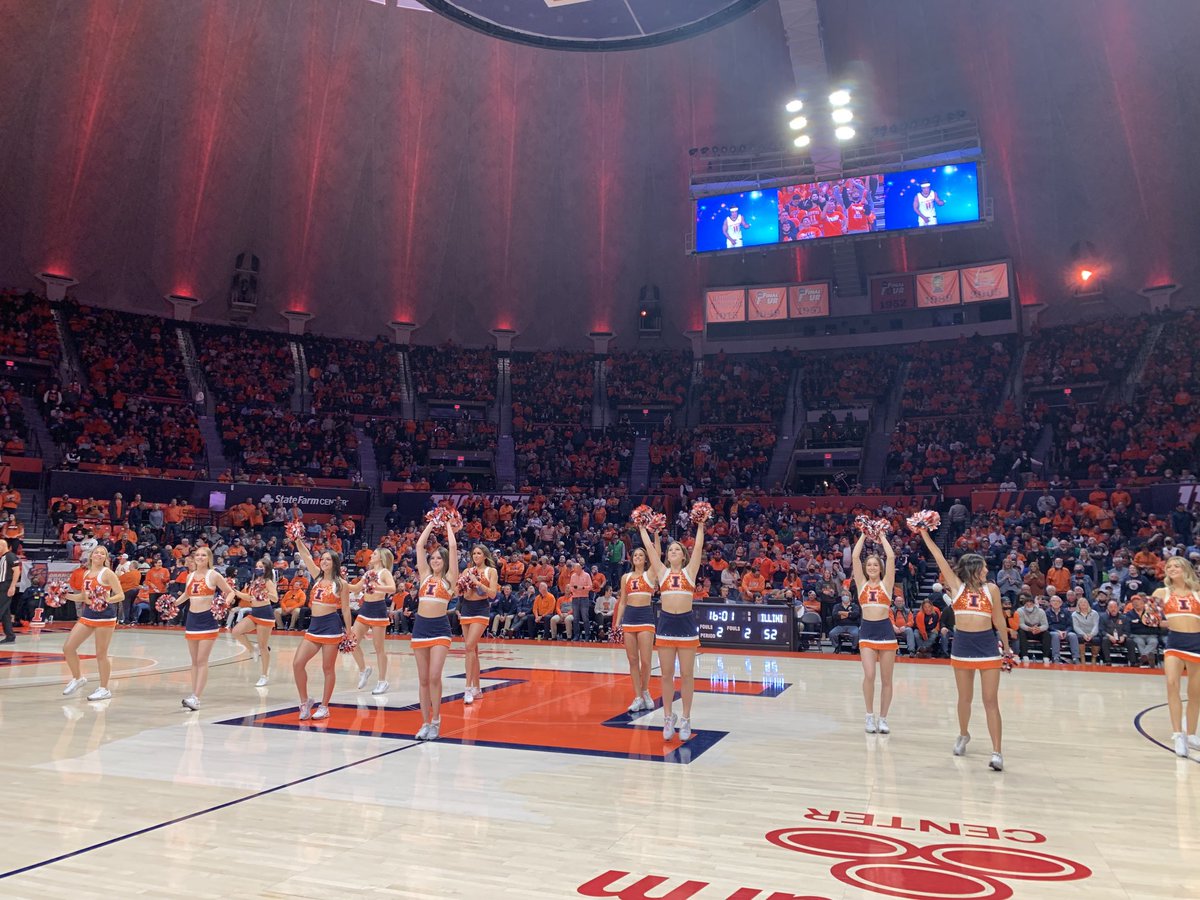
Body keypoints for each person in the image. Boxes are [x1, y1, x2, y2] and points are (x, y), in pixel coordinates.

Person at [914, 523, 1011, 772]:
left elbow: (999, 619)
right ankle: (963, 733)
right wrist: (924, 532)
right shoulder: (957, 587)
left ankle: (997, 751)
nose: (988, 570)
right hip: (963, 646)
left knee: (991, 701)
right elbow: (938, 556)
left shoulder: (992, 589)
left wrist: (1008, 648)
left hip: (988, 646)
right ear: (973, 569)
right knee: (964, 699)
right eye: (984, 567)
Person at [640, 517, 705, 743]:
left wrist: (701, 524)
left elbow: (698, 546)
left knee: (687, 675)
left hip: (686, 625)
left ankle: (686, 718)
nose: (674, 551)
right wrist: (642, 526)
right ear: (667, 556)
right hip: (666, 624)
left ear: (683, 555)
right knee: (666, 674)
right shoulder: (661, 572)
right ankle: (668, 717)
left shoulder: (690, 570)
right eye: (671, 550)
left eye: (678, 549)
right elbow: (649, 548)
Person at [291, 535, 353, 722]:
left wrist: (349, 632)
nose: (324, 561)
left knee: (328, 668)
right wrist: (297, 539)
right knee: (297, 663)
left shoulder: (341, 584)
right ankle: (305, 702)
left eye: (328, 559)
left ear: (334, 563)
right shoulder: (316, 576)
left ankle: (324, 706)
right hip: (314, 626)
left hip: (331, 626)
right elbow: (306, 555)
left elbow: (347, 608)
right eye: (323, 558)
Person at [169, 546, 237, 711]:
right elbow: (187, 594)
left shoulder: (213, 575)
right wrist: (172, 603)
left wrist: (224, 604)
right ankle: (193, 694)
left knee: (201, 660)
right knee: (194, 661)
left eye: (203, 555)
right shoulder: (190, 575)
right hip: (192, 620)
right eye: (197, 555)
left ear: (209, 558)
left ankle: (197, 697)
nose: (199, 557)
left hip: (207, 619)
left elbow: (230, 592)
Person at [411, 519, 459, 740]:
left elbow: (453, 547)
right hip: (420, 628)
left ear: (445, 561)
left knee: (433, 676)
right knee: (422, 679)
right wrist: (432, 523)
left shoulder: (450, 579)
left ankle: (436, 720)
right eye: (433, 558)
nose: (435, 560)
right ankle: (424, 722)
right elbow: (420, 545)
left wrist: (448, 524)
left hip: (440, 629)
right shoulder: (424, 575)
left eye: (439, 558)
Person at [61, 546, 125, 701]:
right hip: (88, 613)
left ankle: (104, 689)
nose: (99, 554)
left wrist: (106, 600)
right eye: (97, 552)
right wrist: (64, 595)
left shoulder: (107, 573)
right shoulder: (86, 573)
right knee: (68, 648)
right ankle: (78, 678)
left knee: (101, 654)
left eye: (103, 553)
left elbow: (121, 595)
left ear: (105, 558)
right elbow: (83, 597)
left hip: (105, 615)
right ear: (91, 556)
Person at [851, 528, 897, 734]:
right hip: (867, 631)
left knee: (887, 679)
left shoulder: (887, 583)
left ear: (881, 568)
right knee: (869, 675)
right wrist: (864, 533)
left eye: (875, 565)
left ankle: (883, 718)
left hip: (886, 632)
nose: (871, 567)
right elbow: (854, 555)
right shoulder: (861, 583)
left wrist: (882, 537)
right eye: (868, 564)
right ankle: (869, 716)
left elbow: (892, 555)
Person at [1154, 557, 1200, 757]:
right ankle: (1177, 735)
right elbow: (1152, 618)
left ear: (1185, 569)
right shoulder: (1161, 592)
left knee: (1195, 693)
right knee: (1172, 684)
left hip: (1197, 643)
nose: (1171, 569)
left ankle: (1191, 734)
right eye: (1168, 566)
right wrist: (1149, 612)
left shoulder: (1197, 592)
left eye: (1176, 566)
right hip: (1174, 643)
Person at [344, 547, 398, 696]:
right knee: (351, 641)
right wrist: (341, 582)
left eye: (374, 554)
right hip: (365, 608)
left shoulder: (384, 572)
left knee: (379, 648)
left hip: (378, 609)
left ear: (380, 557)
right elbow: (355, 588)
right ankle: (363, 669)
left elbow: (392, 588)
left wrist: (377, 586)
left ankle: (382, 681)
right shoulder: (368, 573)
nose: (371, 555)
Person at [613, 545, 657, 713]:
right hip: (629, 618)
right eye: (635, 555)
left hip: (645, 616)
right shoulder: (626, 577)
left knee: (646, 661)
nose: (638, 557)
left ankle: (645, 691)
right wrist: (617, 623)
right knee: (632, 660)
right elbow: (623, 601)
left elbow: (657, 554)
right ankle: (638, 697)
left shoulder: (650, 574)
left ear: (645, 559)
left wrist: (654, 534)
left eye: (641, 555)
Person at [227, 554, 279, 686]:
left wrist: (266, 593)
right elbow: (250, 597)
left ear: (266, 568)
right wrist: (236, 592)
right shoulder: (255, 582)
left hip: (265, 615)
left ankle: (264, 675)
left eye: (260, 567)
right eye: (256, 567)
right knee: (236, 631)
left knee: (263, 646)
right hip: (254, 613)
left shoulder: (268, 582)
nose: (258, 569)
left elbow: (275, 599)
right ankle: (251, 649)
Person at [458, 544, 498, 704]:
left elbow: (493, 593)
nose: (476, 556)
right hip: (467, 608)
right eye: (474, 553)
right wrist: (463, 586)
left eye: (479, 553)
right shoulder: (466, 571)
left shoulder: (491, 571)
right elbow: (461, 592)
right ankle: (477, 688)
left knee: (469, 646)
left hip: (481, 609)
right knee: (472, 649)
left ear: (485, 556)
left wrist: (478, 583)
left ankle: (467, 688)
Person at [1016, 594, 1051, 662]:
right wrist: (1029, 628)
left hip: (1037, 631)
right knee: (1020, 632)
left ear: (1034, 604)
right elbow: (1021, 624)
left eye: (1031, 604)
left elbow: (1045, 625)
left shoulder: (1041, 611)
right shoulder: (1019, 610)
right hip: (1026, 631)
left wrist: (1039, 629)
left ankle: (1046, 657)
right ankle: (1024, 655)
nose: (1029, 605)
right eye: (1027, 604)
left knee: (1047, 634)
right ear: (1024, 605)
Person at [0, 537, 20, 643]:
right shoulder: (3, 557)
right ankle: (10, 636)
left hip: (6, 586)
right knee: (5, 613)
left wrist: (12, 586)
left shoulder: (10, 556)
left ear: (3, 546)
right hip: (2, 585)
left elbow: (16, 571)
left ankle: (10, 636)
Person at [1073, 598, 1102, 665]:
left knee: (1097, 640)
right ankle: (1082, 657)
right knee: (1079, 638)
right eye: (1081, 602)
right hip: (1081, 633)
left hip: (1092, 633)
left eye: (1085, 602)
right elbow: (1076, 627)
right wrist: (1084, 634)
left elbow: (1096, 625)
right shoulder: (1074, 614)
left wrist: (1091, 634)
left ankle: (1094, 657)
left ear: (1088, 604)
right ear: (1078, 605)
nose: (1083, 604)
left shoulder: (1094, 613)